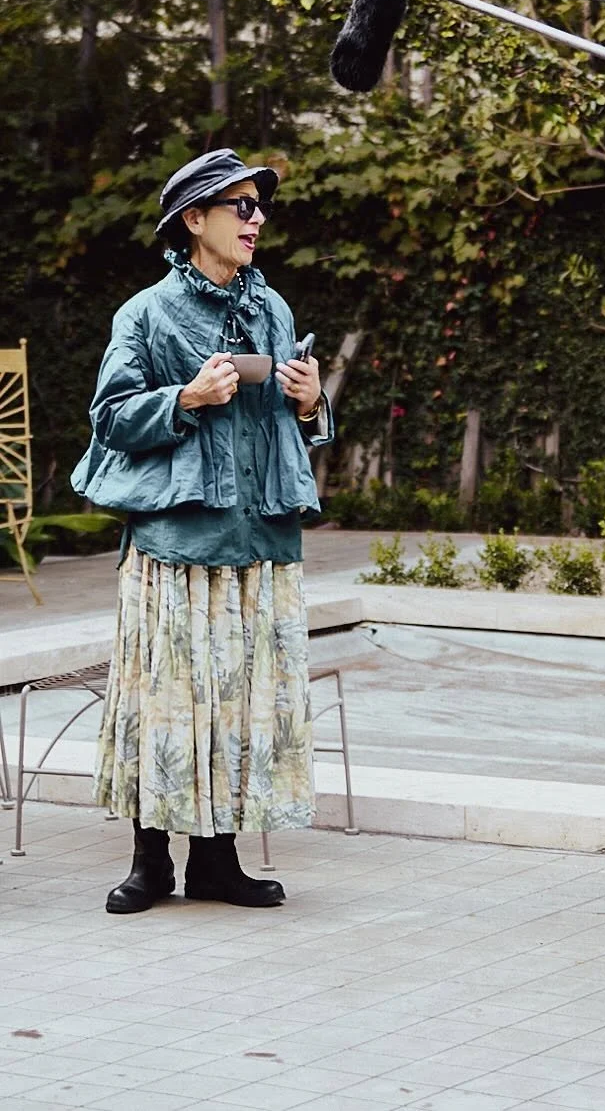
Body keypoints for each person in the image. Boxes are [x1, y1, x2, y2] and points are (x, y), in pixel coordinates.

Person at [72, 148, 333, 915]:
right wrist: (184, 398)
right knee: (167, 703)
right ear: (195, 219)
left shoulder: (275, 310)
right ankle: (149, 861)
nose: (257, 220)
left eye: (260, 208)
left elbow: (298, 426)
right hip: (175, 548)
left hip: (259, 543)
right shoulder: (146, 313)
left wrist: (314, 401)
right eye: (241, 206)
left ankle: (217, 863)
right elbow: (110, 418)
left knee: (235, 705)